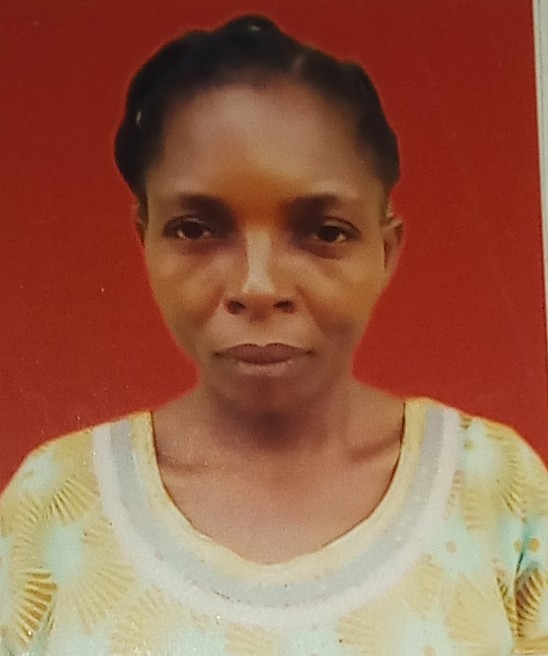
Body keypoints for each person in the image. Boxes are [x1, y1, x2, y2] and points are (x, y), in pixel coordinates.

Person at [1, 13, 547, 655]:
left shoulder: (496, 489)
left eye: (325, 232)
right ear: (145, 241)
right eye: (195, 229)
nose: (257, 286)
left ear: (385, 252)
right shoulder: (56, 503)